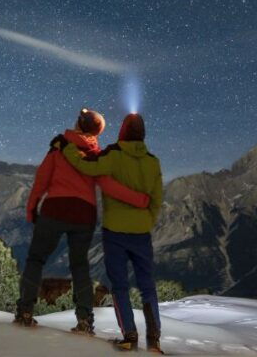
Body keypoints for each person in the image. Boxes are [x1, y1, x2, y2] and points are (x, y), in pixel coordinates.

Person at [13, 108, 150, 336]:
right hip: (84, 215)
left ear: (78, 124)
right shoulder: (97, 155)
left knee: (36, 259)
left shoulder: (58, 147)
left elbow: (42, 179)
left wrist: (31, 208)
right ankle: (85, 320)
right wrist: (138, 199)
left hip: (55, 210)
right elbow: (109, 185)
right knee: (80, 266)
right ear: (97, 132)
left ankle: (25, 311)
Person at [61, 113, 164, 354]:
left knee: (120, 285)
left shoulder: (113, 154)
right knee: (148, 286)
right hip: (142, 233)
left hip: (115, 232)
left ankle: (129, 335)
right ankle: (154, 340)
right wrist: (148, 220)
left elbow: (86, 167)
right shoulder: (153, 161)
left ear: (123, 131)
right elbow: (157, 198)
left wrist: (68, 150)